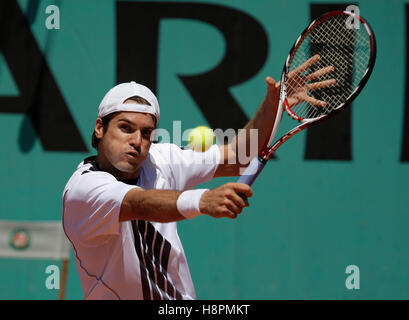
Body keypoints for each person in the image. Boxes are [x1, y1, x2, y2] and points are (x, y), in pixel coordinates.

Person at [62, 57, 332, 299]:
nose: (136, 141)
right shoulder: (83, 189)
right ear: (100, 128)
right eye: (125, 128)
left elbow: (239, 157)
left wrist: (274, 105)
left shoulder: (160, 159)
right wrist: (203, 200)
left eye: (146, 133)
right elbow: (138, 204)